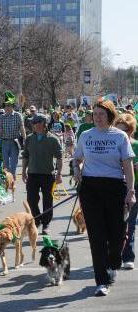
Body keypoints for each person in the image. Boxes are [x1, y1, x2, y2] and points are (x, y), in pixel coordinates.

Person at [73, 100, 136, 296]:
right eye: (95, 114)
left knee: (117, 236)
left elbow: (127, 166)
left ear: (110, 115)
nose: (97, 117)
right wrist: (76, 170)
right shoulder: (85, 135)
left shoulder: (120, 137)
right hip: (91, 188)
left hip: (115, 187)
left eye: (101, 114)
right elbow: (77, 158)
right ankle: (101, 281)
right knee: (97, 237)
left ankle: (114, 261)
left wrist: (131, 191)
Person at [21, 114, 62, 235]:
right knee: (31, 200)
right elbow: (25, 156)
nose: (37, 125)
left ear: (45, 124)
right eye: (34, 123)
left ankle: (46, 224)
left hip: (47, 175)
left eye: (39, 123)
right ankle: (37, 219)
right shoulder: (29, 138)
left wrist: (59, 173)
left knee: (47, 200)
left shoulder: (53, 139)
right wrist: (23, 171)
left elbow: (59, 157)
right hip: (32, 174)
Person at [113, 113, 138, 271]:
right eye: (119, 130)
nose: (122, 134)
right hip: (116, 186)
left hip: (134, 188)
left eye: (125, 131)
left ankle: (128, 256)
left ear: (131, 131)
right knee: (116, 223)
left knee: (130, 223)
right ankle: (115, 253)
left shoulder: (136, 145)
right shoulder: (114, 144)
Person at [0, 92, 26, 178]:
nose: (7, 107)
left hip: (15, 142)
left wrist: (25, 139)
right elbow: (0, 130)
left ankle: (12, 179)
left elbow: (21, 128)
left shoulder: (18, 115)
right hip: (5, 142)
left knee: (14, 163)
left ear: (12, 106)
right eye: (5, 105)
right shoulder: (1, 117)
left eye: (9, 105)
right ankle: (7, 180)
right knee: (5, 164)